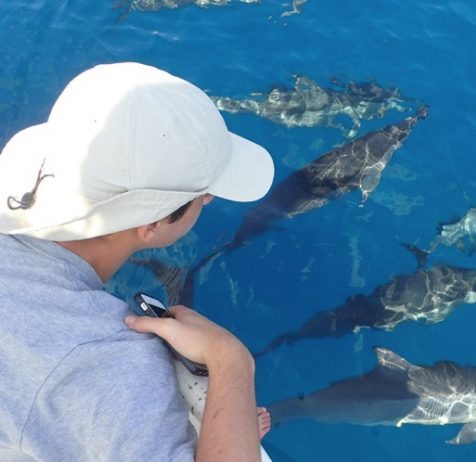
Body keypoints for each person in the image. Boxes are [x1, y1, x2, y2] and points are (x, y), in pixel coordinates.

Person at [0, 62, 275, 461]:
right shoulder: (105, 360)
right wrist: (231, 360)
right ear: (153, 223)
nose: (210, 200)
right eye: (204, 194)